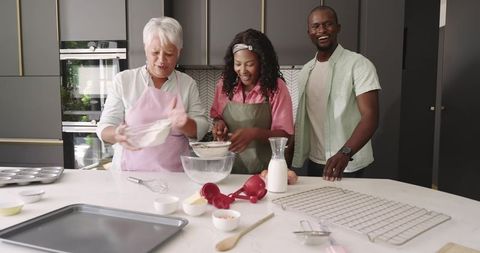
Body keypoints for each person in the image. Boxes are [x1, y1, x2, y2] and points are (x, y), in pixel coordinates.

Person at [96, 17, 209, 171]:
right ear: (145, 48)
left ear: (179, 52)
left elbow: (201, 128)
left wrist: (185, 123)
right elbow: (104, 127)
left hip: (176, 177)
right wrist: (116, 134)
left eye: (169, 54)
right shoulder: (124, 81)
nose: (161, 60)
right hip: (129, 176)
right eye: (155, 52)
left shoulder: (187, 84)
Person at [291, 5, 380, 181]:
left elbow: (371, 116)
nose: (322, 30)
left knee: (349, 209)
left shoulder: (359, 64)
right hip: (315, 161)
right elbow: (304, 119)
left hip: (348, 163)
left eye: (328, 24)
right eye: (316, 26)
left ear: (338, 28)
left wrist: (345, 153)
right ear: (309, 32)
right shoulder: (306, 71)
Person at [210, 29, 297, 184]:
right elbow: (217, 116)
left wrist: (254, 133)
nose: (243, 71)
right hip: (228, 172)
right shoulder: (225, 85)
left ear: (262, 63)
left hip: (265, 174)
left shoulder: (276, 88)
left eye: (250, 64)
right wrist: (219, 125)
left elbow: (285, 135)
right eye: (238, 64)